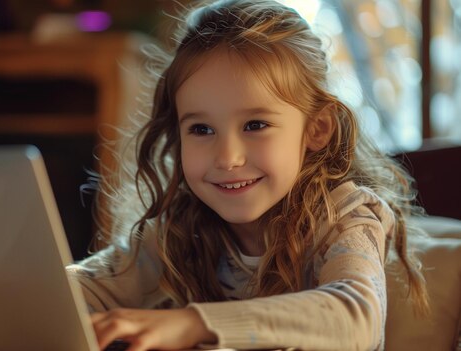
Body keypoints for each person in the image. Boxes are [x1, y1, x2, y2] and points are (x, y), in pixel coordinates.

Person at [67, 0, 429, 350]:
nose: (227, 158)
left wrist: (193, 324)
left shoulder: (344, 217)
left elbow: (355, 316)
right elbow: (72, 291)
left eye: (255, 125)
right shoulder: (178, 229)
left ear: (317, 129)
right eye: (201, 130)